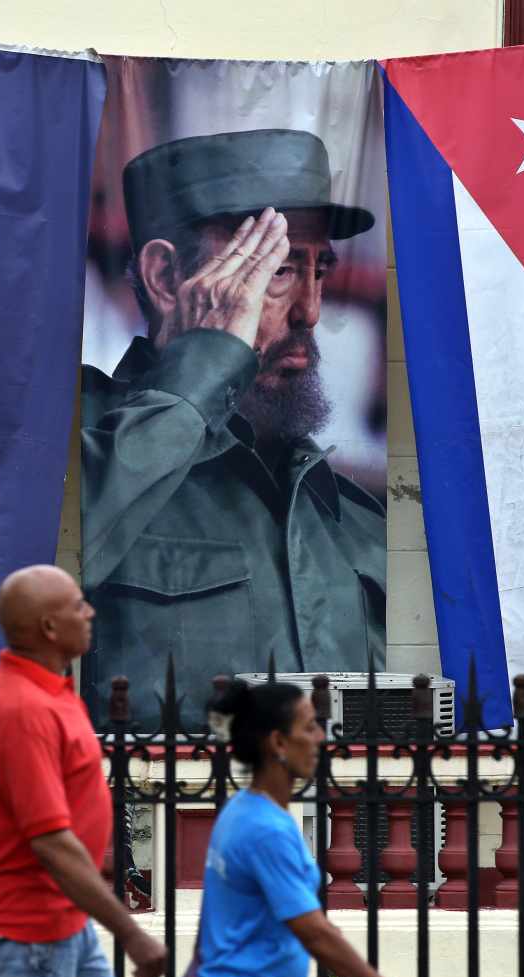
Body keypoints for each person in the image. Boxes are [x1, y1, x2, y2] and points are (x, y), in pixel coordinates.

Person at [81, 128, 388, 727]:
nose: (310, 310)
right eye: (275, 271)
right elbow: (21, 576)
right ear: (166, 278)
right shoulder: (79, 440)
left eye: (318, 269)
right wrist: (209, 359)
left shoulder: (351, 515)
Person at [0, 564, 167, 977]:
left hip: (64, 922)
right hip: (30, 933)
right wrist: (130, 933)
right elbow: (50, 841)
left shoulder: (49, 693)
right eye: (79, 605)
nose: (90, 613)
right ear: (50, 627)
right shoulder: (21, 708)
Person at [191, 680, 390, 977]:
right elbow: (315, 934)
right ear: (279, 743)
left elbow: (219, 917)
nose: (321, 737)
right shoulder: (266, 830)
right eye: (310, 727)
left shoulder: (241, 809)